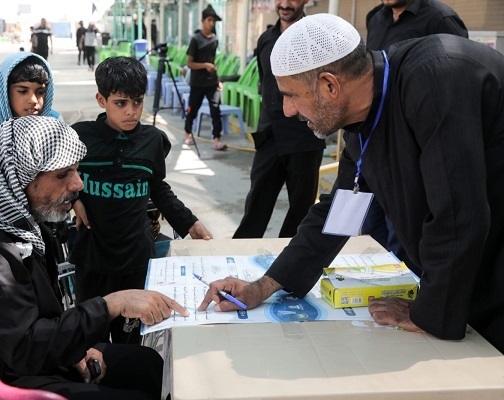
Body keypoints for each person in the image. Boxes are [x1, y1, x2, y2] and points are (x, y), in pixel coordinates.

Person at [199, 13, 504, 354]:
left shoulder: (435, 77)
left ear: (330, 85)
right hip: (468, 274)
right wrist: (262, 287)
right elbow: (339, 214)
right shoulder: (362, 124)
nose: (287, 111)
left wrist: (428, 312)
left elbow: (459, 215)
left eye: (291, 95)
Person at [0, 116, 189, 399]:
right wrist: (111, 305)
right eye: (62, 174)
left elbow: (37, 319)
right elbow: (25, 347)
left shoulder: (23, 225)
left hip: (17, 357)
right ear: (19, 177)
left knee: (148, 365)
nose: (78, 184)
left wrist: (75, 350)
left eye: (77, 171)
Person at [70, 56, 212, 344]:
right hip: (92, 262)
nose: (131, 112)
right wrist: (73, 199)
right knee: (91, 342)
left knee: (130, 342)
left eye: (137, 102)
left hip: (136, 262)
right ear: (101, 100)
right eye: (121, 103)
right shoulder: (79, 138)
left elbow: (157, 187)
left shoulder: (153, 140)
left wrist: (189, 222)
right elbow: (58, 178)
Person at [362, 0, 468, 276]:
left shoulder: (441, 19)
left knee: (405, 232)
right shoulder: (376, 18)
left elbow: (457, 79)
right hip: (374, 138)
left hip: (415, 145)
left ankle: (417, 300)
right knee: (372, 227)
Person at [233, 0, 325, 239]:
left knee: (301, 211)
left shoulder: (316, 36)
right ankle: (235, 259)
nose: (285, 4)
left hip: (306, 136)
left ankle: (288, 266)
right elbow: (267, 84)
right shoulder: (266, 39)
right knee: (256, 206)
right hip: (270, 135)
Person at [0, 52, 62, 158]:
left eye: (40, 92)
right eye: (23, 91)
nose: (33, 100)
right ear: (5, 92)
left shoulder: (55, 123)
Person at [183, 5, 227, 150]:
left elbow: (213, 62)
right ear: (203, 21)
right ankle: (187, 134)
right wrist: (205, 65)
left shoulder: (215, 39)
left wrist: (218, 79)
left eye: (213, 21)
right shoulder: (195, 39)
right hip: (197, 82)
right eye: (209, 20)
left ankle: (216, 140)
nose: (211, 23)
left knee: (215, 109)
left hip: (211, 81)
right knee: (193, 109)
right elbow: (189, 64)